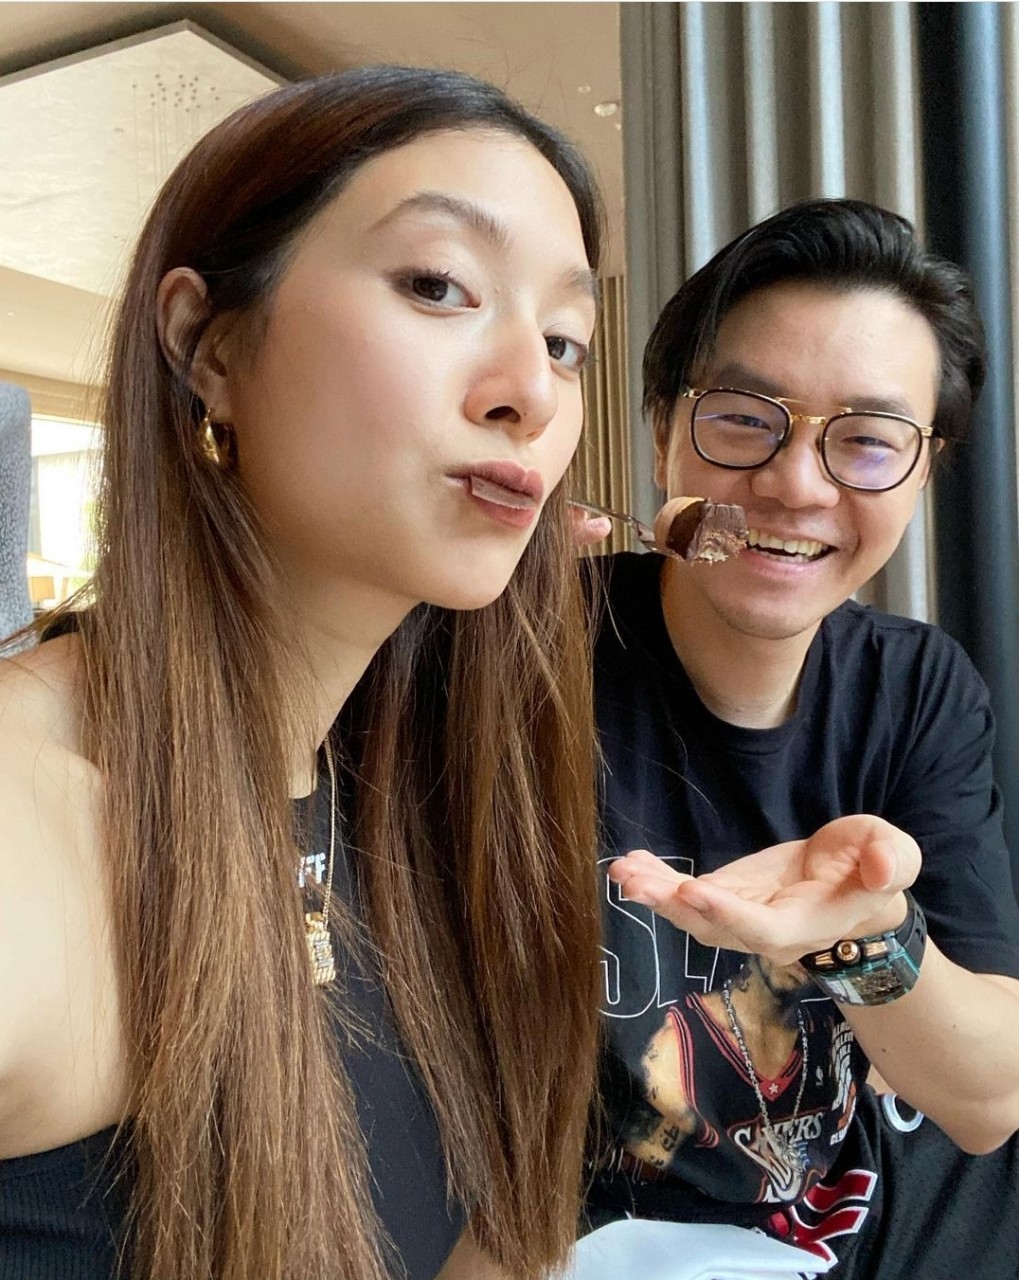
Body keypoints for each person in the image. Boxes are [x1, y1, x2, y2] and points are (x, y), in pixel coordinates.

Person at [0, 66, 606, 1280]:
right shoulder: (34, 825)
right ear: (209, 343)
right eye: (437, 285)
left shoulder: (421, 805)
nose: (531, 392)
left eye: (563, 341)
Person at [581, 200, 1019, 1279]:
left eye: (866, 441)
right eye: (743, 418)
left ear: (920, 473)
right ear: (661, 430)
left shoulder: (913, 689)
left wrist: (866, 934)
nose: (796, 483)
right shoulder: (519, 650)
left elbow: (985, 1097)